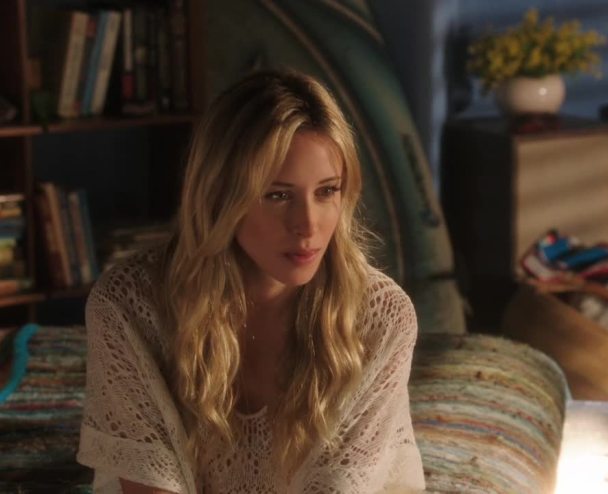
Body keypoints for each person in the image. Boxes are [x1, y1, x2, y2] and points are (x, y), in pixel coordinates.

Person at [76, 70, 426, 493]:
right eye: (277, 195)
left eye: (327, 191)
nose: (308, 225)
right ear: (220, 196)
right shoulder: (128, 306)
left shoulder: (380, 317)